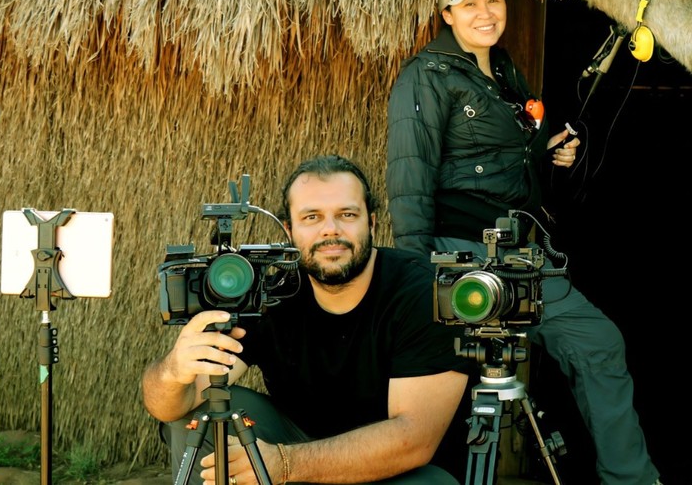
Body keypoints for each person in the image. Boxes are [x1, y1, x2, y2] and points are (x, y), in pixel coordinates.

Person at [385, 0, 662, 485]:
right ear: (447, 13)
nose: (485, 13)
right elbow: (409, 179)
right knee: (459, 380)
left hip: (521, 252)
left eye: (493, 0)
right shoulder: (427, 77)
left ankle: (631, 478)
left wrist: (550, 151)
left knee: (598, 343)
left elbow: (506, 167)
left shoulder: (506, 71)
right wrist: (418, 280)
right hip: (461, 254)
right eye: (469, 4)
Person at [142, 154, 471, 485]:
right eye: (312, 217)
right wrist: (173, 371)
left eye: (347, 214)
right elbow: (170, 406)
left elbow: (414, 440)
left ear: (371, 222)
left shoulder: (422, 292)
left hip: (399, 472)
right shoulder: (271, 293)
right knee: (199, 416)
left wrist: (284, 464)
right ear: (289, 229)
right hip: (300, 452)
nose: (331, 230)